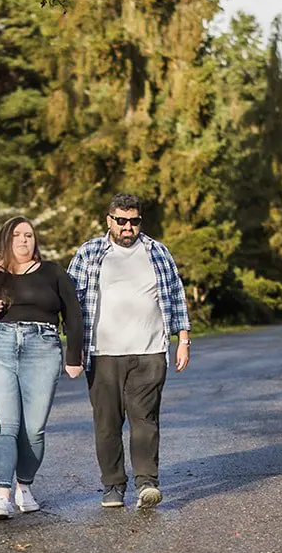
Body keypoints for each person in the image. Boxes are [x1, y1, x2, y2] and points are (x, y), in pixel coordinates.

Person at [0, 216, 84, 520]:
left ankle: (24, 487)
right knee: (3, 424)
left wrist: (73, 357)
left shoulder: (52, 272)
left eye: (29, 235)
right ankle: (2, 496)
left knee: (33, 428)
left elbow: (73, 316)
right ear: (5, 240)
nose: (24, 240)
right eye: (17, 235)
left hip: (43, 347)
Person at [67, 193, 191, 509]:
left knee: (144, 420)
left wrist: (183, 339)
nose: (127, 227)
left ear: (140, 221)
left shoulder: (158, 252)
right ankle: (112, 485)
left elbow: (176, 295)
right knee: (107, 423)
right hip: (103, 353)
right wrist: (73, 349)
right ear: (109, 220)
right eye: (121, 221)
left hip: (149, 351)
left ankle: (147, 483)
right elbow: (71, 304)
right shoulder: (90, 253)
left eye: (133, 221)